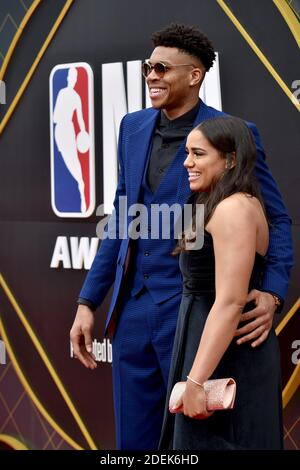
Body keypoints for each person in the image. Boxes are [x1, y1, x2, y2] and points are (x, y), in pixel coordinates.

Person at [70, 24, 293, 450]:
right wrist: (87, 301)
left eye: (161, 68)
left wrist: (272, 292)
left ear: (194, 75)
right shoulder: (131, 128)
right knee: (133, 444)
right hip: (132, 313)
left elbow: (277, 219)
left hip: (193, 318)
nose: (151, 75)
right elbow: (122, 216)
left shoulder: (233, 133)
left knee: (193, 441)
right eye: (146, 67)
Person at [159, 116, 283, 450]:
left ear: (230, 159)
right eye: (187, 153)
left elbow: (229, 302)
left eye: (198, 154)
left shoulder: (233, 209)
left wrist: (197, 381)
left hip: (227, 355)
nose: (187, 162)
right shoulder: (217, 202)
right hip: (210, 345)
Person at [53, 66, 88, 213]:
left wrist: (83, 133)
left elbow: (80, 120)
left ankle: (82, 191)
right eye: (70, 77)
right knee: (69, 165)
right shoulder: (63, 93)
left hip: (68, 131)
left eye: (73, 77)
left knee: (75, 166)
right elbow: (55, 116)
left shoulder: (75, 97)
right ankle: (81, 188)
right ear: (68, 78)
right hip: (61, 132)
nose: (71, 80)